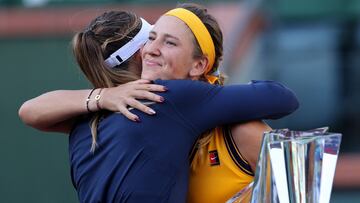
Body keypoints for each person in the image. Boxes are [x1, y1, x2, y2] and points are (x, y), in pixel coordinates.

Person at [19, 4, 298, 203]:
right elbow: (282, 97)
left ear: (199, 64)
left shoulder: (85, 118)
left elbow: (31, 111)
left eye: (169, 42)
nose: (152, 49)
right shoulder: (167, 100)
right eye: (151, 38)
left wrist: (101, 96)